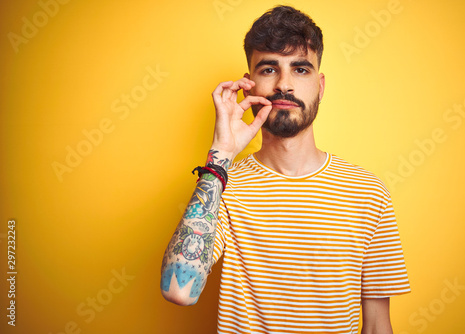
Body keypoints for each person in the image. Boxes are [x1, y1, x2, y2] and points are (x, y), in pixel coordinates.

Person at [161, 5, 410, 334]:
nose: (284, 85)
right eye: (268, 69)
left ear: (320, 86)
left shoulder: (369, 193)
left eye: (300, 70)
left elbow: (378, 326)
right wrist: (221, 154)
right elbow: (178, 290)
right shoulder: (222, 185)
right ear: (249, 85)